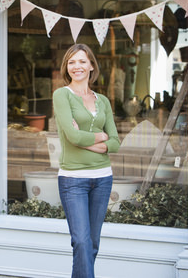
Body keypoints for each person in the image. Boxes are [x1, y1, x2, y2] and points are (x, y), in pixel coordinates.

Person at [52, 44, 120, 278]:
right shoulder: (62, 95)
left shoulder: (103, 101)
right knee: (81, 241)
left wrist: (87, 140)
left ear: (91, 66)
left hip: (102, 179)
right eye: (71, 62)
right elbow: (71, 137)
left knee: (92, 244)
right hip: (73, 180)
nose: (77, 66)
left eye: (82, 61)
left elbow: (116, 142)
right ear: (66, 67)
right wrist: (100, 137)